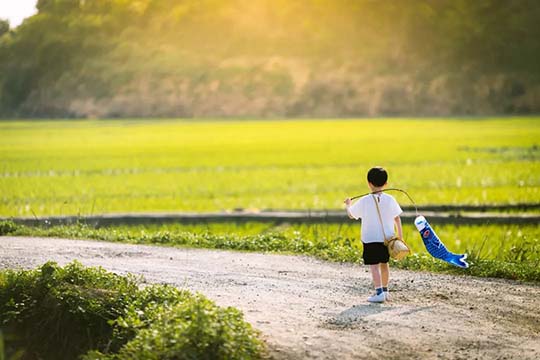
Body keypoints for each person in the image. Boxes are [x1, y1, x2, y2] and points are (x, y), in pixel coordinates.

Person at [344, 167, 403, 303]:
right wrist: (400, 237)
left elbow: (351, 215)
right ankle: (385, 290)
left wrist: (348, 204)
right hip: (387, 239)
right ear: (386, 184)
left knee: (374, 266)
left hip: (370, 239)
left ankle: (379, 292)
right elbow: (397, 218)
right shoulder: (390, 199)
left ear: (369, 183)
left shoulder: (365, 200)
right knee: (384, 264)